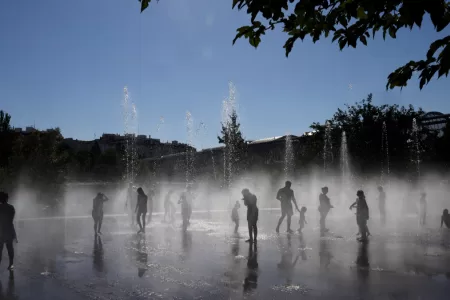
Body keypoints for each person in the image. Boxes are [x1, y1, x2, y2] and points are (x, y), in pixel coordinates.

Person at [0, 192, 16, 270]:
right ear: (7, 199)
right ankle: (11, 264)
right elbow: (11, 220)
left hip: (1, 231)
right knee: (10, 248)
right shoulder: (11, 207)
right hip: (9, 229)